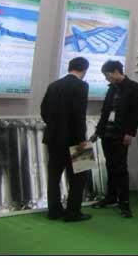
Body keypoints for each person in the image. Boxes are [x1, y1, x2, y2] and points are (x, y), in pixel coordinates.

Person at [89, 60, 138, 218]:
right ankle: (110, 197)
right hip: (107, 132)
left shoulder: (135, 88)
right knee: (110, 165)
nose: (106, 78)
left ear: (115, 72)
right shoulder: (111, 88)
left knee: (121, 168)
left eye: (107, 75)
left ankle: (124, 203)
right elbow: (105, 112)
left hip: (121, 134)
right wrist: (97, 132)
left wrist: (129, 133)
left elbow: (136, 113)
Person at [40, 57, 91, 222]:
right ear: (84, 70)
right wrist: (82, 138)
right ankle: (72, 212)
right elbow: (79, 114)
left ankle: (54, 211)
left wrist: (54, 126)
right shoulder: (82, 86)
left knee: (54, 176)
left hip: (53, 138)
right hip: (74, 139)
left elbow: (43, 110)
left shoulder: (53, 85)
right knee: (79, 176)